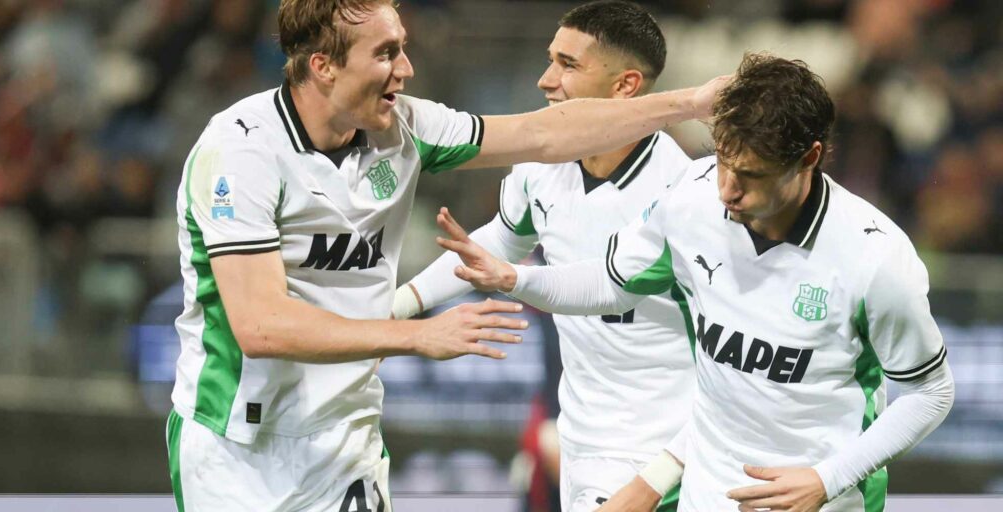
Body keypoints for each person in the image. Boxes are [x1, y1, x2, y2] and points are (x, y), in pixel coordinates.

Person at [166, 1, 726, 511]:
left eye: (403, 47)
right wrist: (414, 333)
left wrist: (691, 102)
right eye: (386, 53)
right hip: (240, 442)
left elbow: (545, 134)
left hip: (345, 435)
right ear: (323, 66)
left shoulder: (407, 127)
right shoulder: (240, 152)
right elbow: (261, 325)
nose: (406, 68)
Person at [434, 53, 954, 512]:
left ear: (809, 157)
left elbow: (929, 394)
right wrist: (516, 277)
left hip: (820, 498)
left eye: (750, 175)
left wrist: (825, 480)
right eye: (724, 160)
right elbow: (613, 282)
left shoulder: (875, 258)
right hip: (707, 489)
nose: (727, 188)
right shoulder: (693, 196)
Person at [393, 2, 694, 511]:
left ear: (625, 86)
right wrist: (395, 309)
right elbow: (494, 246)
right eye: (551, 60)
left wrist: (664, 473)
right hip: (587, 446)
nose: (545, 80)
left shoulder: (686, 194)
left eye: (568, 65)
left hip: (675, 446)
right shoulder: (541, 171)